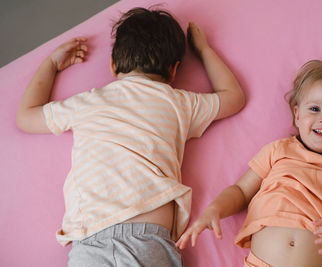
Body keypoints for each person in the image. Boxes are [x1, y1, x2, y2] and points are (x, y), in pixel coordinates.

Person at [16, 7, 245, 267]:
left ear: (113, 65)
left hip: (92, 235)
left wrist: (51, 64)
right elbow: (233, 97)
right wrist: (204, 49)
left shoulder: (88, 103)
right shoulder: (179, 103)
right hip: (151, 238)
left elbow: (26, 116)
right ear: (174, 71)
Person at [176, 60, 322, 267]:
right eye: (314, 108)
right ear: (297, 114)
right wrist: (216, 208)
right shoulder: (278, 151)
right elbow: (240, 191)